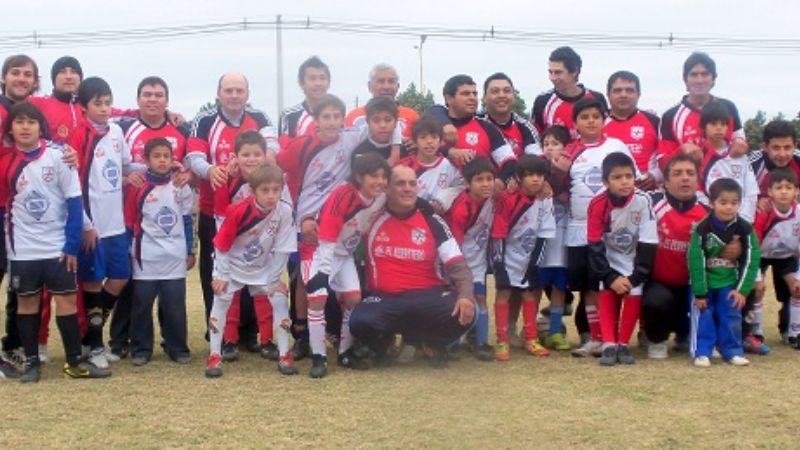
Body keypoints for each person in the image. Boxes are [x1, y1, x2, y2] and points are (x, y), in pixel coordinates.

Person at [278, 94, 401, 360]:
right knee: (303, 278)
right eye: (326, 117)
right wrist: (299, 215)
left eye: (337, 116)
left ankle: (337, 341)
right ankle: (303, 335)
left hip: (343, 215)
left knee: (341, 286)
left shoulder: (351, 138)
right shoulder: (303, 144)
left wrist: (397, 148)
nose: (332, 122)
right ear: (316, 120)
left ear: (343, 120)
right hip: (309, 219)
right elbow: (281, 171)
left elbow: (385, 125)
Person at [1, 102, 109, 382]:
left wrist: (71, 246)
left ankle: (74, 362)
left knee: (67, 302)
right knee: (27, 304)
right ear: (10, 128)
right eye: (19, 122)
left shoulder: (59, 157)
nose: (25, 127)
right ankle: (32, 364)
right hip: (22, 250)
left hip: (57, 248)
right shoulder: (5, 164)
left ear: (41, 127)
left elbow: (74, 203)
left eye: (31, 122)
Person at [349, 165, 475, 368]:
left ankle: (432, 342)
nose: (408, 188)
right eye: (400, 183)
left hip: (429, 296)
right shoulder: (371, 217)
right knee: (359, 322)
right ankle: (384, 343)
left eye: (412, 183)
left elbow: (457, 265)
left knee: (467, 312)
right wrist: (309, 220)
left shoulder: (432, 220)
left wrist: (466, 296)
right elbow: (341, 223)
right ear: (386, 189)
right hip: (385, 298)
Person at [185, 72, 278, 342]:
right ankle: (218, 329)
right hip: (215, 211)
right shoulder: (205, 120)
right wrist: (213, 170)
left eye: (239, 90)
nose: (234, 95)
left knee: (252, 267)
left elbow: (272, 146)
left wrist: (262, 162)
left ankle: (248, 332)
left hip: (255, 211)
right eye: (229, 90)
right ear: (219, 92)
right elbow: (194, 157)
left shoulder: (259, 118)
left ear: (247, 94)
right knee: (215, 274)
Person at [108, 75, 191, 361]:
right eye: (147, 94)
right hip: (137, 232)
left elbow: (191, 163)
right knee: (135, 297)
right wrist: (124, 177)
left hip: (171, 240)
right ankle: (124, 343)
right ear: (138, 99)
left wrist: (187, 174)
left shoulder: (182, 128)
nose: (153, 99)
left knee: (173, 301)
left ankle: (175, 345)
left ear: (167, 100)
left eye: (158, 95)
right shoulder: (123, 127)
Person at [547, 97, 637, 357]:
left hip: (611, 231)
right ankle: (594, 338)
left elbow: (633, 180)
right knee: (587, 285)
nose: (590, 121)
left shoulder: (616, 145)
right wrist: (559, 173)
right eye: (584, 117)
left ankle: (610, 335)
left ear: (603, 119)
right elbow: (557, 190)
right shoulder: (570, 151)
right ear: (575, 123)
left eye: (595, 117)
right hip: (578, 228)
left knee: (604, 284)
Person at [70, 77, 141, 371]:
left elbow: (125, 167)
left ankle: (90, 334)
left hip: (116, 223)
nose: (104, 109)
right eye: (98, 103)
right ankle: (95, 344)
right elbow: (72, 184)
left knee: (120, 278)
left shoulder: (116, 132)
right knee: (91, 283)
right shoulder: (78, 136)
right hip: (92, 226)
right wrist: (85, 224)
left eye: (108, 102)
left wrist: (156, 167)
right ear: (84, 106)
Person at [303, 152, 390, 377]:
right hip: (322, 250)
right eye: (374, 176)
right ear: (359, 176)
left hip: (345, 255)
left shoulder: (381, 196)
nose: (380, 181)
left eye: (383, 176)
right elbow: (329, 229)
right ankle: (318, 356)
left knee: (353, 299)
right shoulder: (344, 193)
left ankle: (344, 352)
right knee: (317, 298)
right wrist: (323, 270)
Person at [206, 164, 296, 378]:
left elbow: (283, 249)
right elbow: (221, 245)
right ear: (253, 190)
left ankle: (285, 354)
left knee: (280, 300)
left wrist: (274, 280)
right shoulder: (238, 210)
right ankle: (214, 356)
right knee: (221, 300)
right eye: (265, 190)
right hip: (231, 266)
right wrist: (221, 276)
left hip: (263, 268)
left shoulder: (285, 211)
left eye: (276, 190)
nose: (271, 195)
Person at [213, 131, 284, 361]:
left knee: (264, 295)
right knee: (231, 295)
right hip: (234, 245)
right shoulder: (229, 179)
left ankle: (266, 340)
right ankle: (230, 340)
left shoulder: (272, 180)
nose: (251, 159)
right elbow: (222, 213)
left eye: (257, 154)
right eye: (246, 154)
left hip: (263, 246)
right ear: (236, 156)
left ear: (265, 155)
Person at [125, 138, 194, 366]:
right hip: (146, 257)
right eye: (157, 156)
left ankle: (177, 347)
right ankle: (141, 348)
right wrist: (129, 252)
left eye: (166, 155)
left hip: (174, 256)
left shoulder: (181, 186)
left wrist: (190, 250)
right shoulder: (138, 186)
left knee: (174, 305)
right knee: (142, 305)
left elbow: (186, 221)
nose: (162, 160)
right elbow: (131, 222)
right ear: (146, 160)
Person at [587, 152, 657, 366]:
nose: (625, 181)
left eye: (629, 176)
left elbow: (648, 241)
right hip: (607, 259)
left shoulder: (644, 200)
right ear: (605, 181)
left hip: (634, 259)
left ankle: (623, 344)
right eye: (617, 177)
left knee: (634, 291)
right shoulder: (597, 204)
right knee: (605, 289)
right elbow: (594, 244)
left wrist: (636, 277)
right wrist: (608, 276)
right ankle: (609, 344)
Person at [642, 155, 710, 359]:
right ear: (665, 181)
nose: (685, 179)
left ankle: (686, 335)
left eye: (690, 173)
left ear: (698, 180)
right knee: (656, 301)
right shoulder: (650, 204)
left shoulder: (708, 214)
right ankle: (656, 339)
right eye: (677, 173)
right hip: (659, 282)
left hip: (692, 286)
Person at [688, 178, 760, 367]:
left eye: (734, 203)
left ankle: (732, 351)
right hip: (706, 283)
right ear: (711, 203)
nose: (728, 208)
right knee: (705, 315)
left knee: (731, 314)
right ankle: (703, 351)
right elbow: (696, 261)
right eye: (723, 202)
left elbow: (752, 259)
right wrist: (700, 292)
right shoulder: (702, 228)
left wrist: (742, 290)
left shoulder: (745, 228)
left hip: (729, 282)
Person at [491, 155, 557, 361]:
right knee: (503, 294)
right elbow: (498, 234)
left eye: (539, 175)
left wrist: (535, 264)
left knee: (529, 295)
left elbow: (545, 234)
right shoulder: (508, 199)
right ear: (519, 178)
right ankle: (502, 341)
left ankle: (531, 339)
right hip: (506, 255)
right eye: (529, 175)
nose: (535, 180)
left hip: (528, 258)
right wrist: (499, 264)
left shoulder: (545, 200)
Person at [438, 157, 496, 361]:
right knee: (457, 297)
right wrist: (455, 270)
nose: (486, 184)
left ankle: (481, 342)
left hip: (478, 259)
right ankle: (451, 342)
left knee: (480, 297)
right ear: (467, 183)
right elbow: (454, 242)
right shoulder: (462, 206)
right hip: (459, 260)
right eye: (479, 180)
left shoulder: (493, 198)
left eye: (489, 179)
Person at [657, 52, 747, 171]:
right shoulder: (671, 116)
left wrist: (740, 144)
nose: (699, 80)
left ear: (713, 79)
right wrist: (681, 151)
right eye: (693, 75)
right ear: (685, 80)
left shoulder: (729, 107)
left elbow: (741, 143)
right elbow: (663, 162)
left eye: (705, 74)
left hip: (725, 184)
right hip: (689, 187)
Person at [435, 75, 516, 186]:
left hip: (478, 198)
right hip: (435, 197)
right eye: (465, 94)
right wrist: (450, 151)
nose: (472, 98)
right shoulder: (433, 125)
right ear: (448, 98)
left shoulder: (488, 128)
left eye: (475, 94)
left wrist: (500, 181)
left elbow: (509, 162)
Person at [752, 168, 800, 350]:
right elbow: (754, 245)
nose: (784, 191)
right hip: (761, 256)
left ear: (796, 191)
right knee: (757, 289)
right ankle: (756, 332)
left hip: (786, 256)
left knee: (797, 288)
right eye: (779, 187)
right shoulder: (763, 212)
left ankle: (795, 333)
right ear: (769, 192)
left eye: (789, 187)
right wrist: (756, 277)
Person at [536, 126, 572, 350]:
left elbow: (570, 196)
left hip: (561, 242)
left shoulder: (572, 169)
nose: (550, 148)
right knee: (533, 289)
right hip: (540, 244)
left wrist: (560, 183)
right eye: (546, 143)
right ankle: (531, 331)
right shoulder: (535, 170)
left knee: (559, 288)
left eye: (555, 143)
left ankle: (556, 331)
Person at [696, 102, 758, 222]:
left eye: (723, 124)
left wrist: (744, 220)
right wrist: (713, 215)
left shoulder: (739, 154)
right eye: (713, 123)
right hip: (711, 220)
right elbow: (698, 191)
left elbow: (751, 191)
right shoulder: (699, 156)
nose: (719, 127)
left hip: (741, 220)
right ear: (704, 126)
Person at [602, 71, 660, 190]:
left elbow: (666, 158)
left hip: (646, 193)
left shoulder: (655, 122)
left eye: (629, 90)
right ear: (608, 94)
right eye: (618, 90)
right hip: (607, 194)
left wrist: (655, 176)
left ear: (638, 94)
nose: (623, 95)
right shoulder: (597, 122)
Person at [531, 46, 607, 138]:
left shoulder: (597, 98)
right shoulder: (542, 101)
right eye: (550, 72)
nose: (552, 78)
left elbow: (606, 132)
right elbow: (536, 139)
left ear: (574, 71)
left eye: (558, 72)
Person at [397, 115, 463, 204]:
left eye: (434, 137)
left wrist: (444, 201)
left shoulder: (449, 167)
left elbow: (460, 189)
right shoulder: (403, 166)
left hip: (438, 217)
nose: (429, 141)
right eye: (423, 137)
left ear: (441, 141)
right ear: (415, 141)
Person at [345, 63, 419, 140]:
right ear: (369, 86)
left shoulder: (412, 116)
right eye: (381, 81)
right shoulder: (354, 117)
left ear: (398, 86)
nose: (386, 86)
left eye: (391, 81)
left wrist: (416, 145)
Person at [279, 56, 330, 140]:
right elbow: (285, 149)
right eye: (312, 78)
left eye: (322, 78)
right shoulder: (289, 116)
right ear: (301, 83)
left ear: (328, 83)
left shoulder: (336, 114)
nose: (318, 83)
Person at [749, 119, 800, 202]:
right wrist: (755, 202)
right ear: (765, 147)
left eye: (787, 147)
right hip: (759, 213)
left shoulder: (798, 159)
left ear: (795, 146)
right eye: (776, 148)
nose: (782, 154)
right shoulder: (752, 163)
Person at [351, 96, 406, 164]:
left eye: (388, 120)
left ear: (396, 122)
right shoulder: (360, 152)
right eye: (376, 120)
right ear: (368, 122)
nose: (382, 125)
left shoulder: (407, 149)